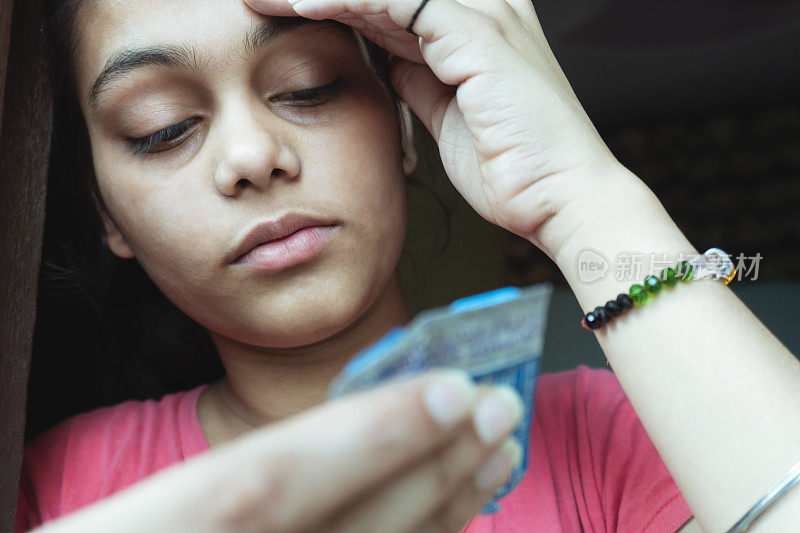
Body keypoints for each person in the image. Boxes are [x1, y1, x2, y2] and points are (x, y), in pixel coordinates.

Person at [15, 0, 800, 531]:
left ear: (402, 126)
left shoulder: (616, 432)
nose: (252, 156)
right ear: (107, 212)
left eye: (306, 86)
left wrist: (580, 192)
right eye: (162, 127)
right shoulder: (49, 486)